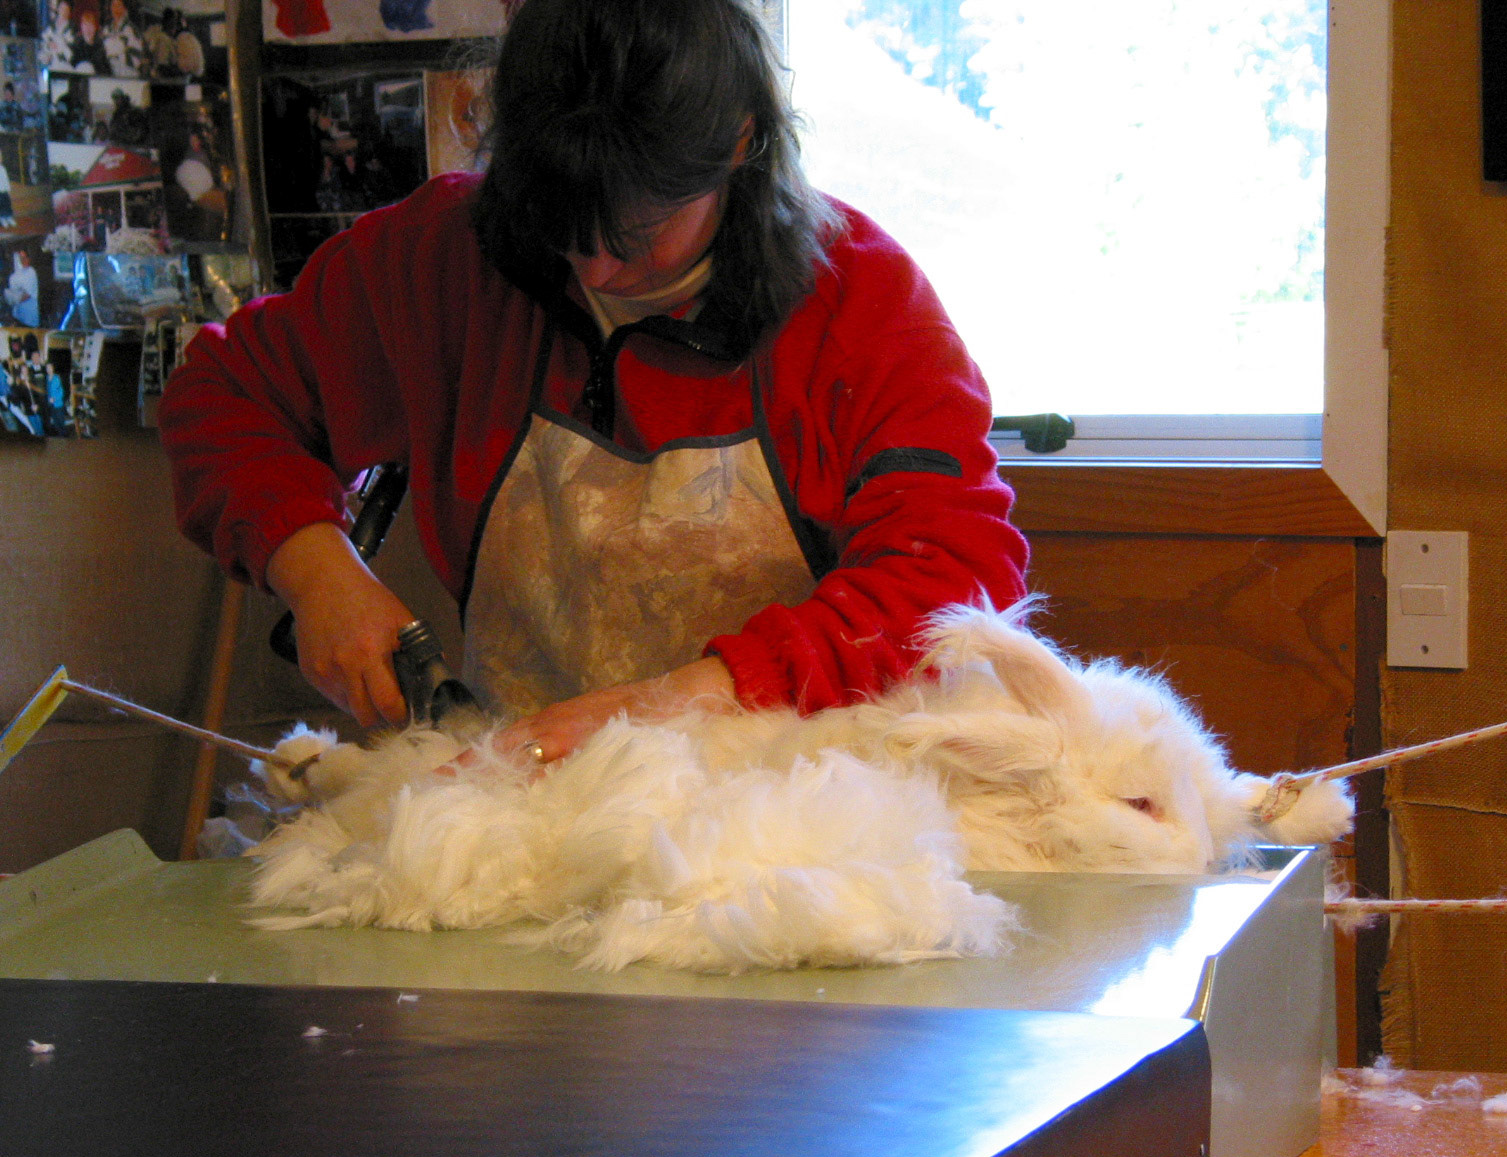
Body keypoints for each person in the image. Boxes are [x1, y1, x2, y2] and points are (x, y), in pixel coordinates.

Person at [158, 0, 1027, 763]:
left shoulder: (862, 306)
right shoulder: (441, 262)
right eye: (563, 225)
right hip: (524, 811)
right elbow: (222, 396)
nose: (601, 270)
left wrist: (676, 704)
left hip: (791, 830)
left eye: (641, 228)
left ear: (739, 145)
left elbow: (957, 577)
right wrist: (316, 573)